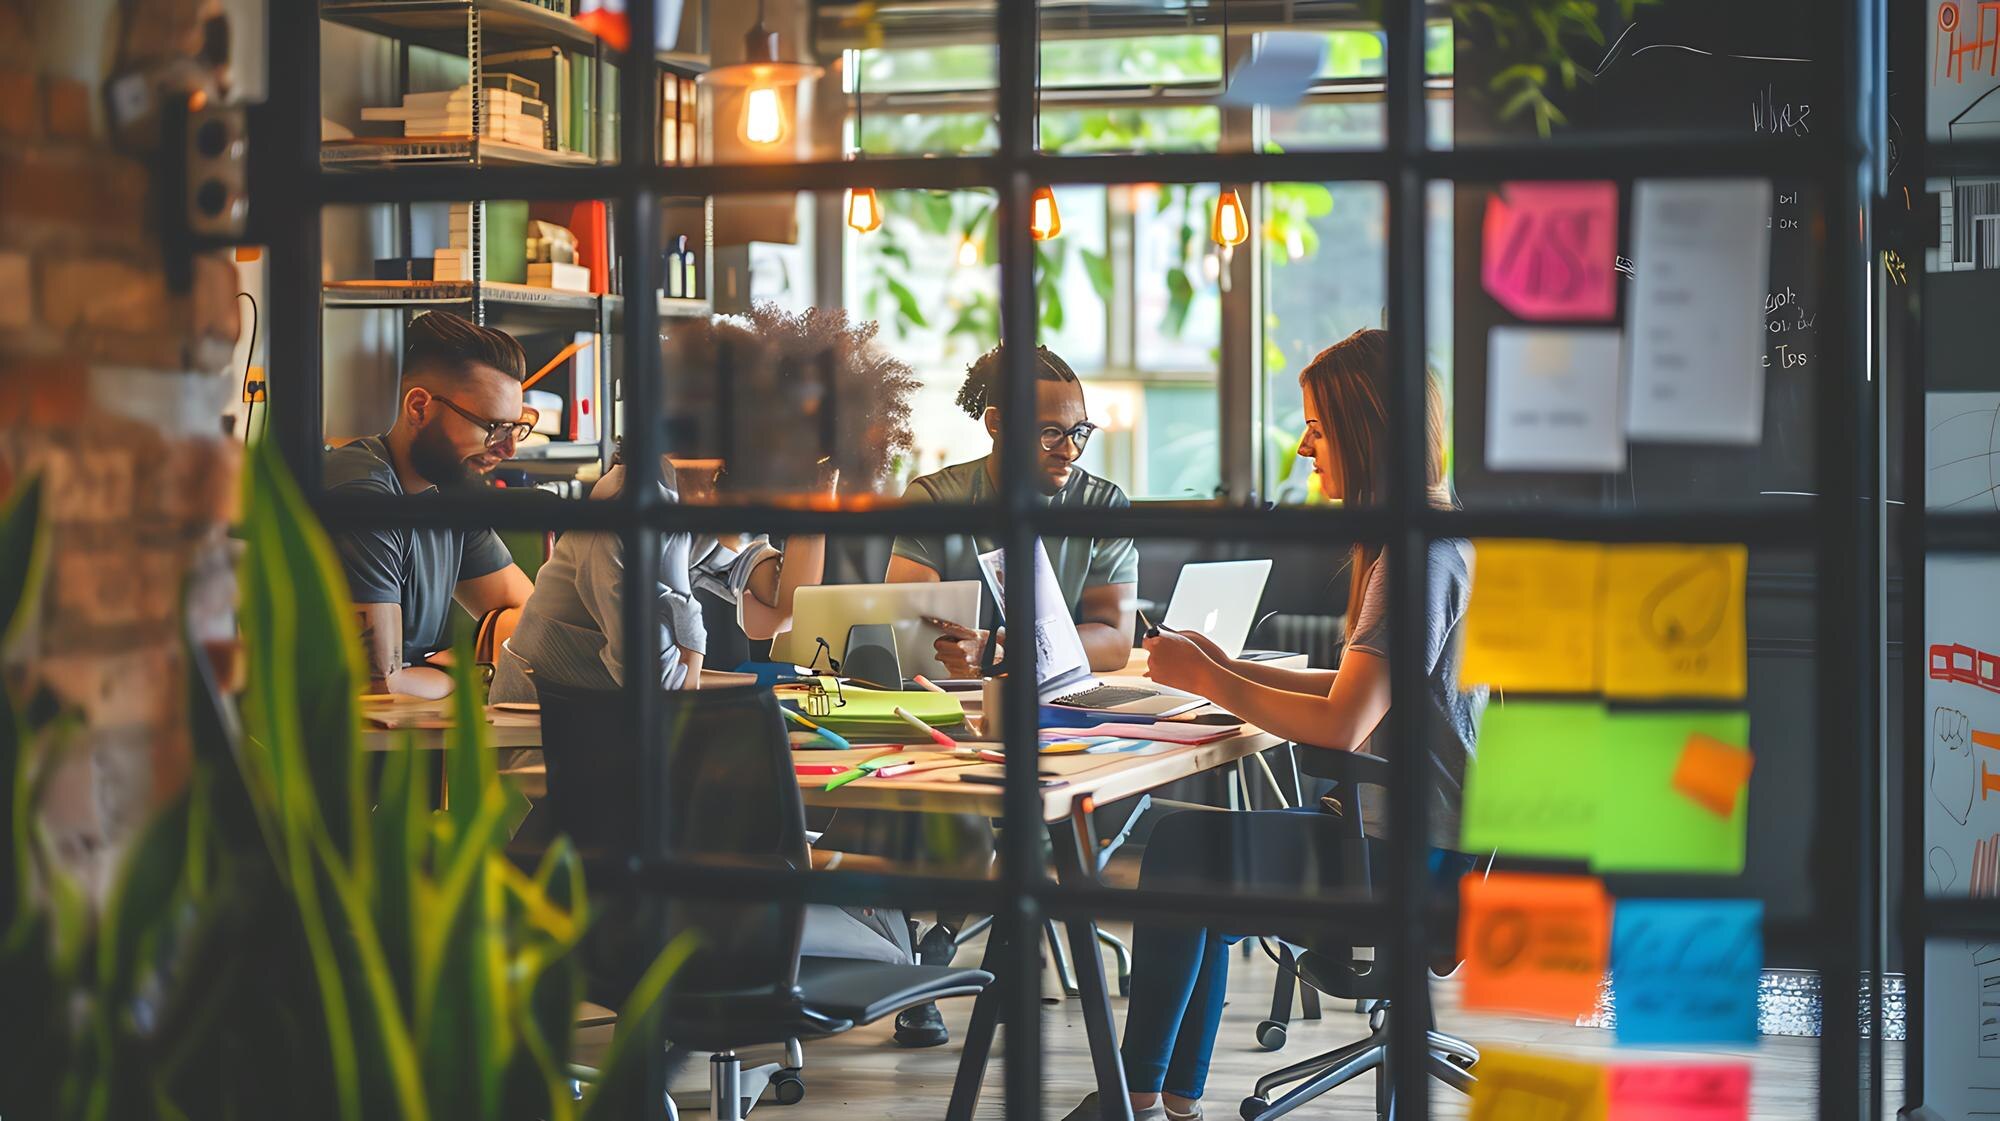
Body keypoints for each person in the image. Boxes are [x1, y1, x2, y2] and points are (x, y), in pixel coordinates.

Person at [1058, 328, 1486, 1121]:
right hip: (1425, 847)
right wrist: (1228, 664)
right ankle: (1164, 1099)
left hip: (1408, 864)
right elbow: (1368, 692)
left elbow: (1345, 722)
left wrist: (1210, 678)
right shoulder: (1432, 537)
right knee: (1198, 856)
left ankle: (1136, 1098)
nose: (1303, 447)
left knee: (1182, 849)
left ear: (1365, 430)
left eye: (1318, 428)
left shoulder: (1415, 555)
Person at [885, 344, 1137, 677]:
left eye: (1079, 432)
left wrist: (1007, 650)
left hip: (1057, 696)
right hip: (952, 695)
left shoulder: (1102, 505)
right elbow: (903, 633)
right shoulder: (934, 500)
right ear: (996, 423)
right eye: (1050, 433)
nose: (1070, 451)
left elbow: (1115, 642)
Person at [326, 310, 537, 700]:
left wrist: (443, 672)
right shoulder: (364, 495)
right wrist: (473, 676)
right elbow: (379, 686)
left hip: (416, 725)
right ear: (419, 407)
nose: (508, 449)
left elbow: (532, 617)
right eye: (493, 427)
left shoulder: (450, 491)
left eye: (514, 428)